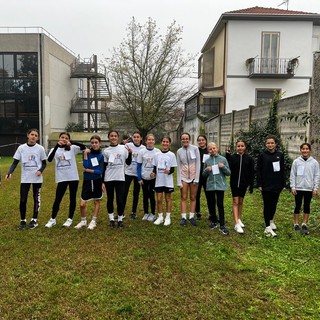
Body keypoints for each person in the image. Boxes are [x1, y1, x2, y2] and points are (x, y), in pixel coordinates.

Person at [5, 129, 47, 229]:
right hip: (25, 178)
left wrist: (40, 170)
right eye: (32, 134)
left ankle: (34, 220)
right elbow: (15, 162)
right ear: (28, 135)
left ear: (38, 138)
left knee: (36, 199)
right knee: (23, 200)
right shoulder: (21, 148)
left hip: (37, 179)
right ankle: (23, 220)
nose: (34, 136)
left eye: (36, 135)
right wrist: (9, 172)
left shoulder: (40, 148)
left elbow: (44, 163)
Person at [45, 132, 86, 228]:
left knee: (72, 198)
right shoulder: (54, 149)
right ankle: (52, 219)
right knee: (58, 199)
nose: (64, 139)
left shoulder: (72, 148)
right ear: (59, 139)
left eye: (66, 138)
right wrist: (56, 146)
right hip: (62, 178)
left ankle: (69, 219)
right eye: (62, 137)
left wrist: (71, 142)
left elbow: (83, 146)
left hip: (73, 177)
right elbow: (50, 159)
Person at [257, 135, 285, 237]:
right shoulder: (262, 155)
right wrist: (259, 184)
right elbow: (258, 170)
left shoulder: (280, 155)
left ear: (275, 144)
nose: (270, 145)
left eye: (272, 143)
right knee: (267, 205)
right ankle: (267, 227)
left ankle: (271, 220)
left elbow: (282, 170)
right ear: (265, 144)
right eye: (268, 143)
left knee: (274, 204)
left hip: (277, 184)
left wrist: (283, 183)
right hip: (266, 185)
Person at [74, 135, 104, 230]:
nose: (94, 144)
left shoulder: (101, 156)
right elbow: (85, 165)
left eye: (96, 142)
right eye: (92, 143)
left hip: (96, 181)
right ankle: (83, 221)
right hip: (87, 181)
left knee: (96, 200)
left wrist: (89, 171)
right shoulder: (86, 153)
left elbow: (100, 171)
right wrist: (86, 154)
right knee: (82, 204)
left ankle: (93, 221)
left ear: (100, 143)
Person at [103, 130, 132, 228]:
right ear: (108, 137)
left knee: (120, 200)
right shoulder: (106, 151)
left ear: (118, 137)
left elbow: (128, 162)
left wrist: (130, 154)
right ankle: (111, 220)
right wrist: (103, 181)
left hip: (120, 178)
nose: (113, 137)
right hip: (109, 178)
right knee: (110, 199)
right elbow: (104, 166)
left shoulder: (123, 148)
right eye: (111, 136)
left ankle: (120, 219)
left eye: (115, 136)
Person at [290, 143, 319, 235]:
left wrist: (315, 188)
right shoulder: (296, 162)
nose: (305, 150)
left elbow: (317, 176)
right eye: (303, 149)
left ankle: (304, 224)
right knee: (297, 206)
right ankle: (296, 224)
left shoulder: (314, 162)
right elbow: (293, 175)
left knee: (307, 206)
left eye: (307, 149)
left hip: (309, 188)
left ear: (310, 150)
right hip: (298, 188)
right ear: (300, 150)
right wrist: (293, 186)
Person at [226, 139, 254, 234]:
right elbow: (229, 168)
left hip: (244, 183)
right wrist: (227, 156)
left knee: (241, 201)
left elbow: (251, 172)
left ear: (245, 147)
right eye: (238, 146)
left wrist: (251, 184)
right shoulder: (233, 157)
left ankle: (239, 218)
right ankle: (236, 224)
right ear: (236, 147)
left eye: (242, 146)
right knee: (235, 201)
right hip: (234, 183)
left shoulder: (249, 158)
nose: (240, 148)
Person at [203, 142, 231, 235]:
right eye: (210, 149)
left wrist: (223, 167)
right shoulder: (207, 161)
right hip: (210, 185)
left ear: (217, 148)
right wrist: (207, 170)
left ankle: (222, 225)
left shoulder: (223, 159)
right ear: (208, 151)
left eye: (214, 148)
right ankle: (214, 221)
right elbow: (203, 174)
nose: (212, 150)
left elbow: (228, 173)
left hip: (220, 186)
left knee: (220, 204)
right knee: (211, 203)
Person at [177, 133, 201, 226]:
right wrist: (179, 181)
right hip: (183, 176)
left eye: (186, 139)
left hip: (194, 177)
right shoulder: (179, 151)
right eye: (183, 139)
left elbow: (198, 163)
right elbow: (178, 166)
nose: (185, 140)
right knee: (183, 197)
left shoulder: (195, 149)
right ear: (181, 140)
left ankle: (191, 216)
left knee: (193, 197)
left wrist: (197, 178)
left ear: (189, 139)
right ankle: (183, 217)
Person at [152, 136, 177, 226]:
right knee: (159, 199)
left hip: (168, 181)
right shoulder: (157, 155)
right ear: (161, 142)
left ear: (169, 143)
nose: (165, 143)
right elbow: (155, 167)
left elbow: (173, 169)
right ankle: (160, 217)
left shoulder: (172, 155)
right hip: (159, 181)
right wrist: (153, 173)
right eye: (163, 141)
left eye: (167, 142)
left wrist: (169, 171)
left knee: (168, 199)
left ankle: (168, 217)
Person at [137, 133, 161, 222]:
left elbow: (158, 165)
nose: (150, 141)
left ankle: (153, 214)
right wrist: (139, 178)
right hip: (144, 177)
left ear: (154, 141)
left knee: (152, 195)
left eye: (152, 140)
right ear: (146, 141)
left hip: (153, 178)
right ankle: (146, 213)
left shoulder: (157, 151)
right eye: (149, 140)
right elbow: (139, 165)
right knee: (145, 195)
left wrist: (154, 172)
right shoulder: (142, 152)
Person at [123, 131, 146, 219]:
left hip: (138, 174)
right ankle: (122, 211)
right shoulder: (128, 145)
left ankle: (134, 212)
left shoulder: (143, 148)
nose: (136, 139)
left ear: (141, 138)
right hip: (128, 172)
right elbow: (120, 150)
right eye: (134, 137)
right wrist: (123, 143)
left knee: (136, 193)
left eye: (138, 137)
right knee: (124, 192)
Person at [195, 135, 209, 220]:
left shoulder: (209, 150)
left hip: (207, 176)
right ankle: (197, 212)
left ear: (206, 141)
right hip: (198, 175)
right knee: (197, 195)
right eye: (199, 140)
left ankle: (211, 213)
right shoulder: (196, 150)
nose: (201, 142)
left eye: (203, 140)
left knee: (209, 195)